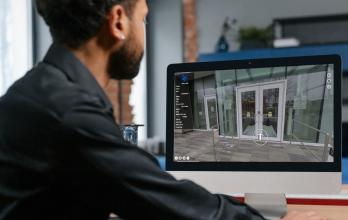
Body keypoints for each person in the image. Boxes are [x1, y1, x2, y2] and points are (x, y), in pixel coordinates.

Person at [0, 0, 326, 219]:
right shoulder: (68, 112)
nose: (144, 31)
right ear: (117, 22)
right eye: (143, 18)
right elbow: (174, 206)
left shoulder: (40, 92)